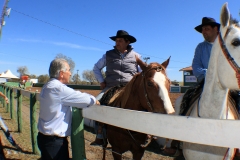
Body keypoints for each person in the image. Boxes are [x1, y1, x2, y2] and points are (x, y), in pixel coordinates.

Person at [37, 58, 100, 160]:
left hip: (45, 139)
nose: (70, 73)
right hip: (54, 143)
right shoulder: (58, 89)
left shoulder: (47, 86)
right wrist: (94, 100)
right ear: (61, 73)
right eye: (69, 70)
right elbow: (85, 99)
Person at [91, 30, 141, 145]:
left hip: (129, 89)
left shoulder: (136, 56)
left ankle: (147, 133)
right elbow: (96, 68)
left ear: (127, 42)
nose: (117, 43)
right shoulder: (108, 55)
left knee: (145, 103)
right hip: (111, 87)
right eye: (116, 40)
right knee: (97, 104)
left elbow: (141, 73)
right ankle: (100, 135)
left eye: (120, 41)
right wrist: (101, 81)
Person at [192, 17, 220, 83]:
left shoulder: (227, 45)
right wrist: (211, 73)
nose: (203, 32)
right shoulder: (200, 47)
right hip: (206, 84)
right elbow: (196, 67)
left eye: (206, 29)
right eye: (202, 30)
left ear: (215, 29)